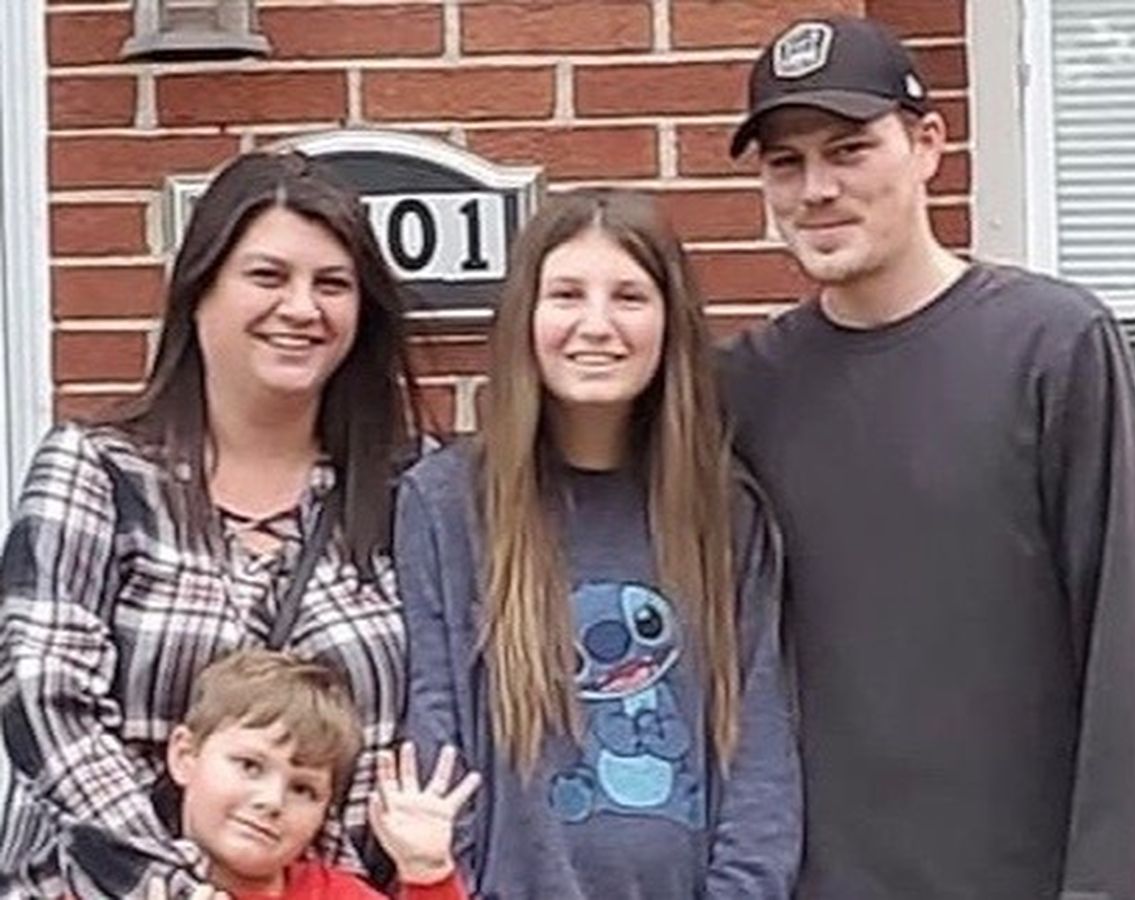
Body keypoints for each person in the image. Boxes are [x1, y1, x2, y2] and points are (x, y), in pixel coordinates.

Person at [720, 15, 1135, 900]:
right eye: (786, 163)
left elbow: (1125, 657)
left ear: (928, 144)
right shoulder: (748, 388)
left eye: (850, 150)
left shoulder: (1052, 346)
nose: (817, 189)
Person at [0, 151, 419, 898]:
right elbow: (42, 694)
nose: (302, 308)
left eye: (332, 284)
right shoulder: (100, 471)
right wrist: (174, 889)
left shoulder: (402, 492)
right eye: (267, 276)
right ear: (200, 291)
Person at [395, 189, 801, 899]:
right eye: (566, 295)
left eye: (629, 297)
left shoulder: (726, 513)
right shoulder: (447, 503)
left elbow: (760, 763)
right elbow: (437, 746)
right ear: (525, 316)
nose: (596, 325)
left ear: (670, 321)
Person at [156, 648, 477, 900]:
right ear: (185, 755)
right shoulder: (139, 880)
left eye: (302, 789)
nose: (272, 801)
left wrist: (429, 874)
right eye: (250, 766)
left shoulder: (336, 894)